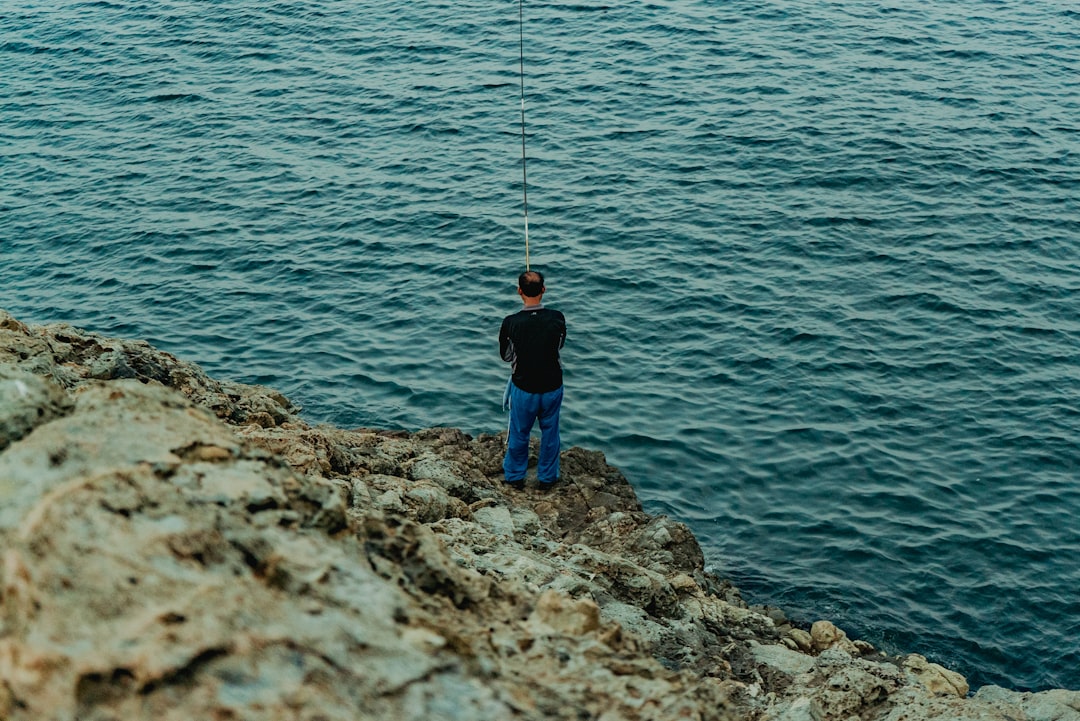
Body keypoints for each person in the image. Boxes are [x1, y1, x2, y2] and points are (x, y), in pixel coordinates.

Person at [500, 270, 566, 489]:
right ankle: (547, 478)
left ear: (519, 291)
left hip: (524, 387)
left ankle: (514, 477)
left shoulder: (511, 322)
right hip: (552, 386)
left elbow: (506, 356)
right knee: (550, 431)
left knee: (520, 432)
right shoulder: (557, 317)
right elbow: (559, 346)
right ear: (544, 290)